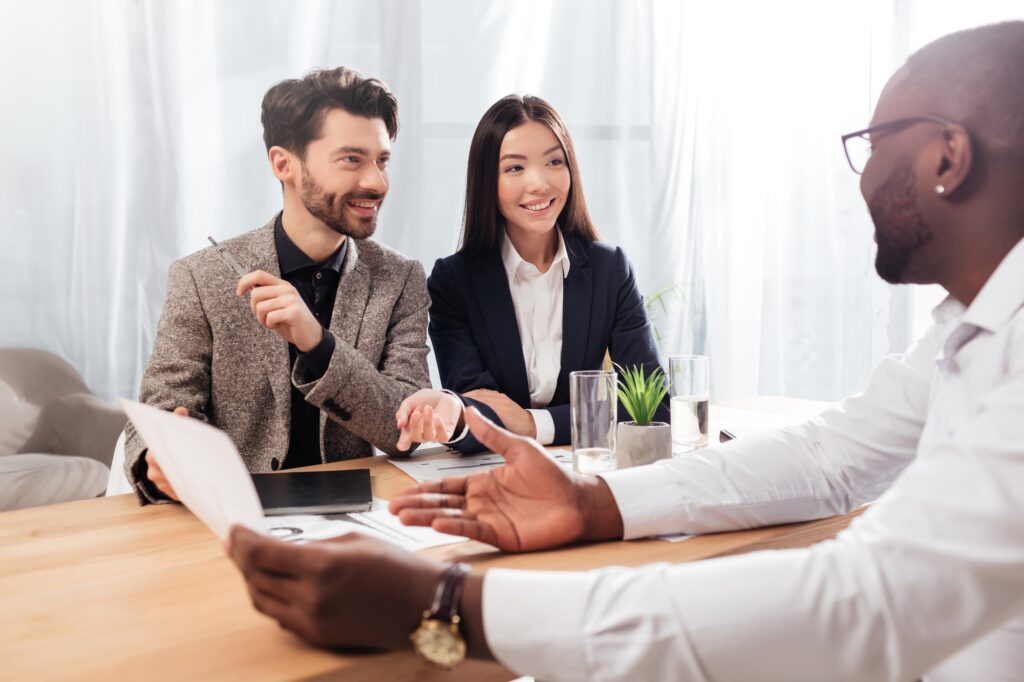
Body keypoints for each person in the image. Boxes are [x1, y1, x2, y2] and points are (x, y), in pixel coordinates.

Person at [227, 22, 1024, 681]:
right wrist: (595, 505)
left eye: (874, 142)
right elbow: (827, 459)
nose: (861, 173)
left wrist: (447, 606)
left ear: (949, 158)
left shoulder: (601, 269)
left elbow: (866, 596)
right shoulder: (964, 329)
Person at [125, 67, 431, 503]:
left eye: (382, 160)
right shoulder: (201, 277)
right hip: (230, 517)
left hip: (360, 523)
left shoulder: (401, 279)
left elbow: (405, 429)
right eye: (352, 159)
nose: (376, 182)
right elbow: (155, 414)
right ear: (283, 163)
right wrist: (157, 460)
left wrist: (318, 344)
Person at [393, 94, 667, 453]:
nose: (539, 183)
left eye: (554, 161)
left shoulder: (609, 268)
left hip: (583, 470)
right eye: (515, 168)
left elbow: (649, 404)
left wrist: (531, 423)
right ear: (487, 180)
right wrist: (460, 411)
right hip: (494, 475)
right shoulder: (453, 282)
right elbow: (474, 413)